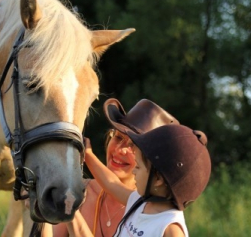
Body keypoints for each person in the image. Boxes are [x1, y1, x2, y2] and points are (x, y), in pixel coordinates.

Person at [32, 98, 179, 236]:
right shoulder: (81, 192)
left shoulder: (152, 213)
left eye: (133, 146)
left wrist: (71, 211)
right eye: (118, 138)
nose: (120, 149)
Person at [66, 98, 211, 237]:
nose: (135, 170)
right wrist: (88, 155)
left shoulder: (169, 228)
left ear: (159, 178)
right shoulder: (140, 204)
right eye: (118, 137)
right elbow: (111, 183)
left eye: (139, 167)